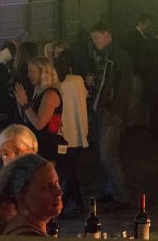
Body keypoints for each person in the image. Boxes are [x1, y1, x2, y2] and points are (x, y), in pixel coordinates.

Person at [90, 21, 133, 208]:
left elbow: (120, 87)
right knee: (107, 153)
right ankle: (111, 190)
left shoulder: (115, 57)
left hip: (110, 111)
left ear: (108, 34)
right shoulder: (112, 55)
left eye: (97, 37)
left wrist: (111, 108)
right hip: (109, 110)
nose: (95, 42)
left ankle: (121, 195)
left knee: (107, 154)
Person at [0, 153, 62, 236]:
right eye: (46, 187)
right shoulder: (28, 236)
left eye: (57, 182)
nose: (59, 192)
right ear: (22, 200)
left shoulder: (16, 227)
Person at [54, 49, 89, 218]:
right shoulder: (77, 81)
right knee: (71, 170)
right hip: (78, 132)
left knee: (69, 170)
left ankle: (69, 204)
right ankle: (70, 204)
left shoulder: (55, 85)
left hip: (62, 133)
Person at [13, 56, 62, 162]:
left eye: (32, 71)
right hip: (37, 143)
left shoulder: (50, 94)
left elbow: (39, 124)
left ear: (43, 73)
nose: (28, 75)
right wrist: (20, 101)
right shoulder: (38, 91)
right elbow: (27, 119)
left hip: (46, 146)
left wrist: (25, 103)